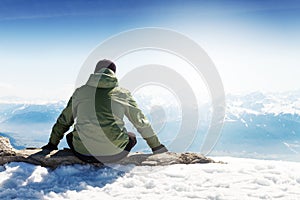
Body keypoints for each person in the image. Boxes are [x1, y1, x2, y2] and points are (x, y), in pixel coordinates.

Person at [42, 59, 167, 163]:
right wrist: (157, 147)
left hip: (83, 153)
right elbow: (140, 122)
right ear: (113, 74)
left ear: (95, 72)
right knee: (131, 137)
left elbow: (64, 121)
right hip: (114, 154)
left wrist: (52, 145)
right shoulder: (123, 94)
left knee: (71, 136)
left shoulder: (81, 92)